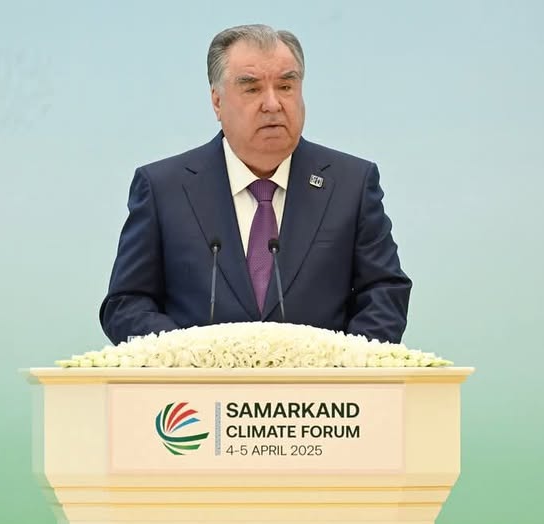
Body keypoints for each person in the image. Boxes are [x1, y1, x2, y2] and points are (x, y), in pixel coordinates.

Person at [100, 24, 412, 345]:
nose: (273, 104)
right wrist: (187, 356)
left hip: (322, 378)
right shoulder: (163, 188)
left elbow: (384, 292)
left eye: (286, 86)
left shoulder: (351, 184)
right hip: (198, 377)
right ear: (217, 102)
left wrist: (344, 365)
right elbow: (127, 304)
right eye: (252, 89)